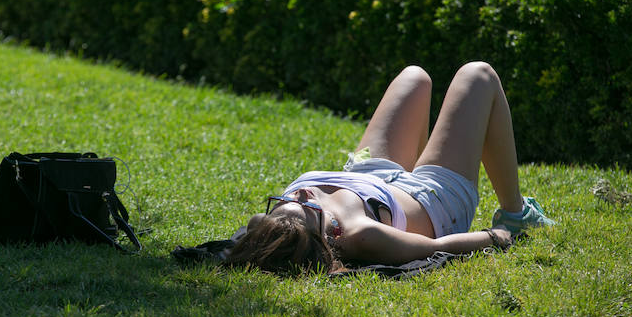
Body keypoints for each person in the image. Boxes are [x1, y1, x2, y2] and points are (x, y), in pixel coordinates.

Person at [225, 62, 555, 274]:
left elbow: (260, 225)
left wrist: (287, 213)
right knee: (478, 75)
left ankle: (422, 158)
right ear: (333, 232)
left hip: (367, 176)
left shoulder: (275, 225)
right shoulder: (360, 233)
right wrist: (494, 237)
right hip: (433, 198)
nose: (299, 194)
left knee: (415, 77)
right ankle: (516, 211)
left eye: (286, 202)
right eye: (307, 205)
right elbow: (435, 249)